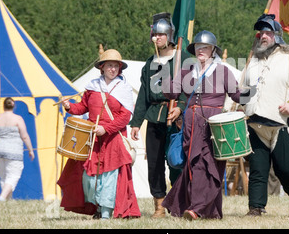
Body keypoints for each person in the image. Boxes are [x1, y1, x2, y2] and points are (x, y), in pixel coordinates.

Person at [161, 30, 252, 220]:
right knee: (193, 164)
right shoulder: (186, 71)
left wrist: (251, 90)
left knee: (209, 164)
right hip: (190, 123)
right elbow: (171, 94)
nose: (201, 50)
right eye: (198, 47)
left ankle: (197, 208)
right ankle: (206, 211)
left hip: (214, 124)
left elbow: (237, 96)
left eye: (205, 47)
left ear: (213, 51)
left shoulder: (222, 71)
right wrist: (164, 79)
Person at [242, 14, 289, 216]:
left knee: (285, 168)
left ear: (277, 35)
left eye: (267, 32)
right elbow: (243, 88)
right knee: (257, 168)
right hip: (255, 122)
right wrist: (238, 106)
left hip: (281, 122)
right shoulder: (253, 60)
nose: (263, 36)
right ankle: (256, 208)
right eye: (261, 33)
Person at [57, 49, 140, 219]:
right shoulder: (92, 87)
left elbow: (125, 117)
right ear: (102, 67)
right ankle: (97, 208)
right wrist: (69, 106)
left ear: (119, 68)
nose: (112, 69)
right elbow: (82, 108)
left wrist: (106, 129)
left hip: (113, 138)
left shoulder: (123, 88)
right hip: (93, 139)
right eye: (109, 65)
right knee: (89, 177)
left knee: (109, 177)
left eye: (115, 66)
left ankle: (107, 212)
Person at [130, 12, 188, 218]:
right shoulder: (149, 63)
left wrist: (180, 106)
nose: (158, 38)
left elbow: (189, 89)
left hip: (176, 118)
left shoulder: (182, 58)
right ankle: (159, 206)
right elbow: (144, 94)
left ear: (170, 36)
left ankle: (178, 201)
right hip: (154, 116)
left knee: (175, 161)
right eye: (155, 34)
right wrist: (136, 123)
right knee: (154, 163)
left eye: (162, 34)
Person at [0, 97, 35, 201]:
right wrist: (30, 150)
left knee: (3, 176)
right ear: (13, 106)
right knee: (14, 175)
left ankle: (6, 201)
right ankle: (2, 197)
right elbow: (24, 136)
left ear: (3, 106)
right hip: (14, 150)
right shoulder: (18, 119)